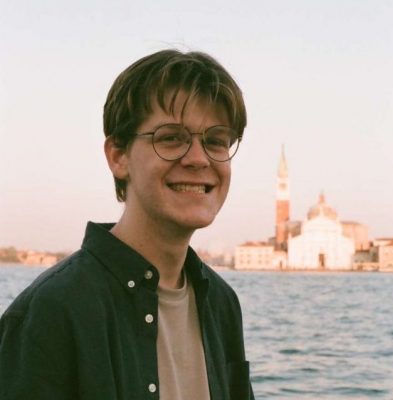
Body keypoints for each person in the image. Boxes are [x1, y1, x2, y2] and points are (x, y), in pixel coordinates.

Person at [0, 49, 254, 400]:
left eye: (215, 141)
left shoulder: (222, 304)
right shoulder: (51, 312)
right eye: (171, 138)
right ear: (118, 156)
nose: (198, 159)